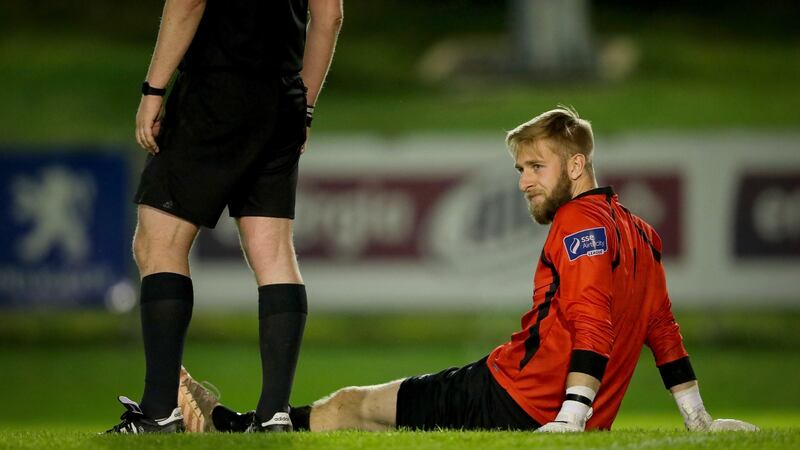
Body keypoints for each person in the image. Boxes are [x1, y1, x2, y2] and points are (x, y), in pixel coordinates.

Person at [177, 107, 758, 433]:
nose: (525, 180)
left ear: (577, 164)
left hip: (508, 395)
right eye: (519, 168)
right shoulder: (641, 232)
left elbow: (591, 320)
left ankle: (234, 430)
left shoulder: (577, 223)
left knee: (356, 405)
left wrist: (571, 416)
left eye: (536, 166)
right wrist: (698, 419)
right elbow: (662, 328)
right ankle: (240, 424)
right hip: (534, 402)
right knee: (367, 412)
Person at [105, 0, 343, 434]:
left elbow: (188, 3)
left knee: (157, 243)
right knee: (273, 252)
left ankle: (159, 412)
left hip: (215, 91)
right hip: (283, 95)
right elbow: (329, 16)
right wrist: (303, 103)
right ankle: (274, 415)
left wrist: (153, 91)